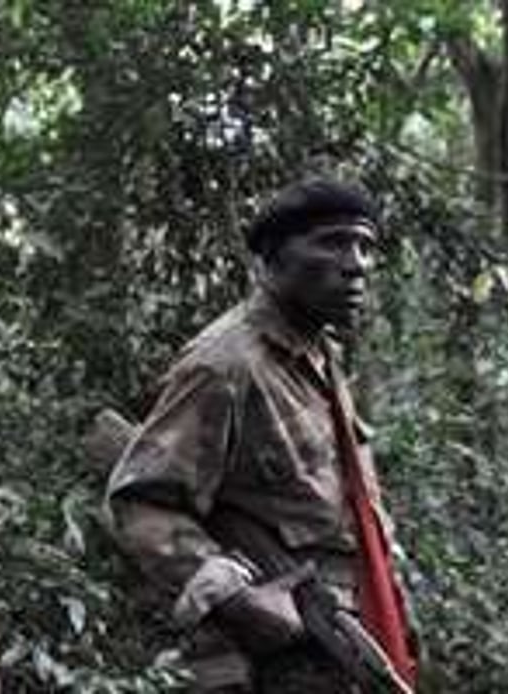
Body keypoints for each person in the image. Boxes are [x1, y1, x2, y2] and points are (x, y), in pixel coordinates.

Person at [105, 179, 416, 693]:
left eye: (364, 245)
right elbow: (141, 503)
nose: (356, 263)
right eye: (333, 242)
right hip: (287, 657)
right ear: (274, 258)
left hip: (356, 631)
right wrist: (235, 598)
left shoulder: (317, 353)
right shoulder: (226, 364)